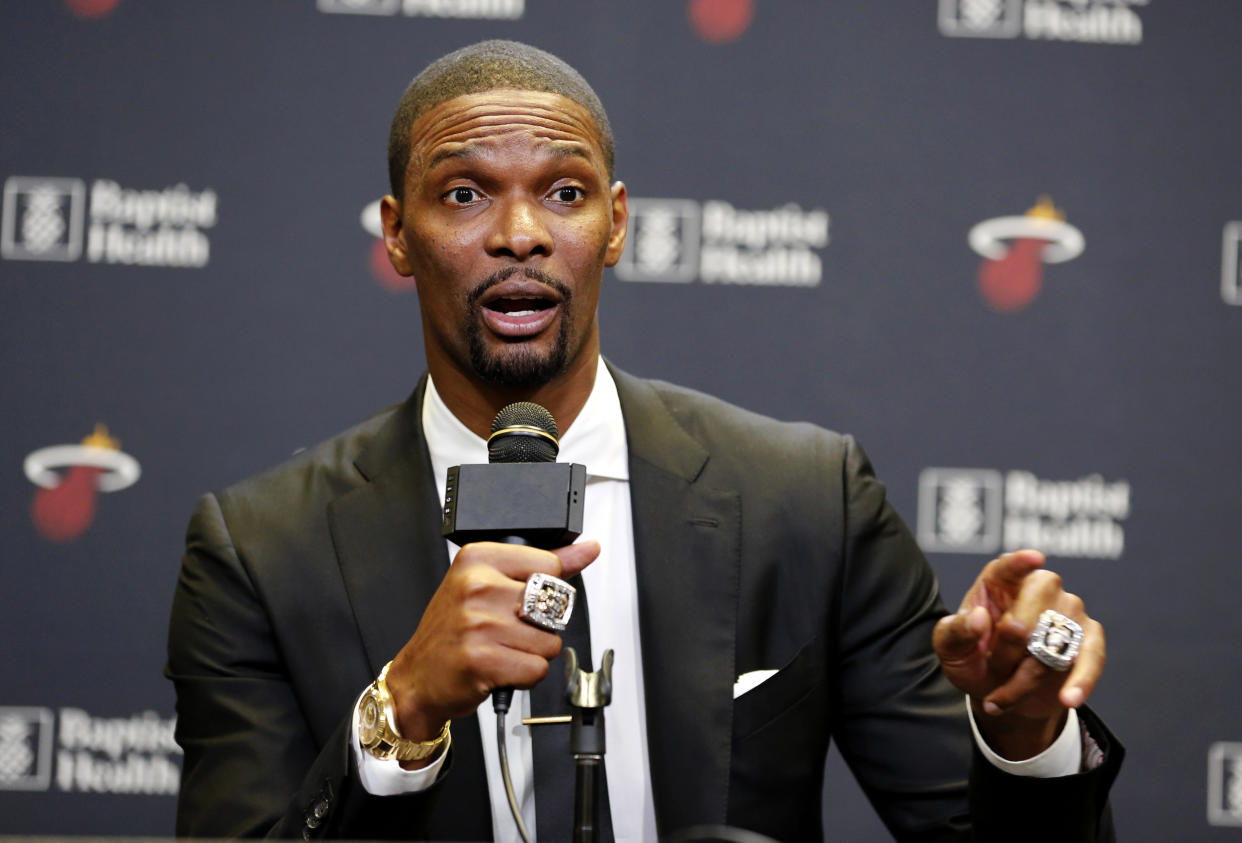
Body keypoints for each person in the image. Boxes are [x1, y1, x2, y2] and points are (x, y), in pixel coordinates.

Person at [166, 40, 1122, 841]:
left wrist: (1024, 732)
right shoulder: (259, 549)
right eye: (463, 195)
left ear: (615, 224)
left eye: (566, 192)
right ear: (397, 235)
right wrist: (402, 713)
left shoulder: (805, 497)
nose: (521, 233)